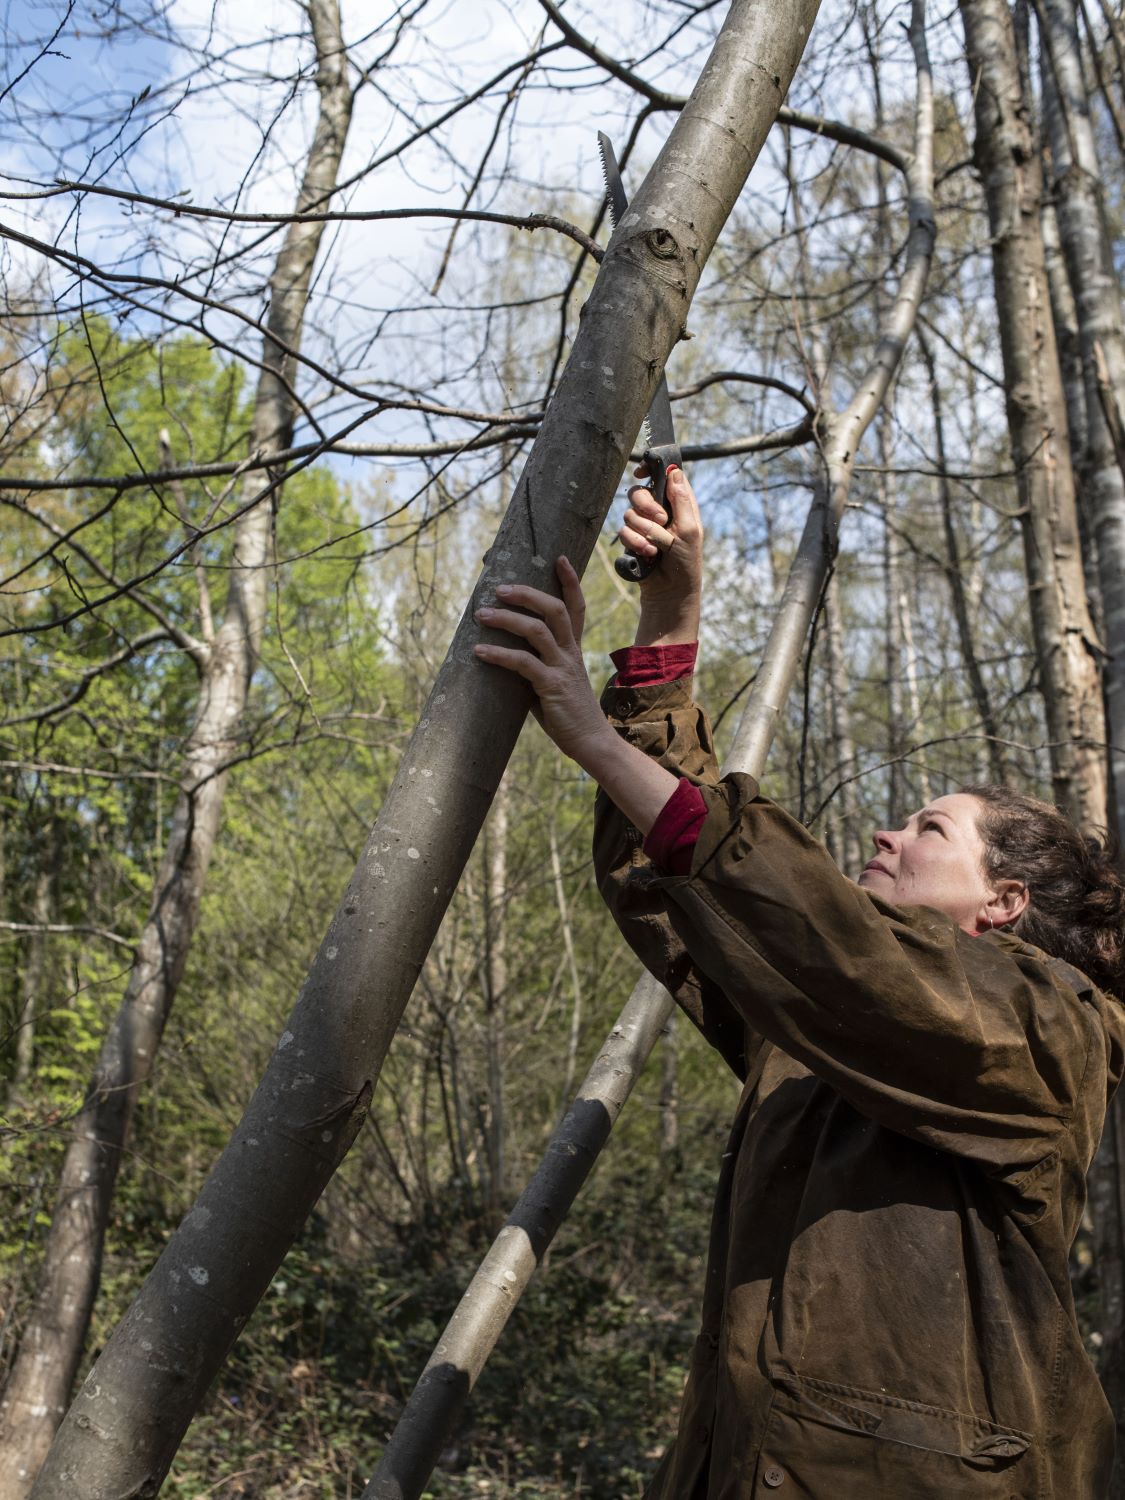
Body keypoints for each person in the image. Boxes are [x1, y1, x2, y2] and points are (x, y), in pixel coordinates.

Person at [472, 465, 1125, 1498]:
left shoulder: (1052, 1028)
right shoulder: (821, 1032)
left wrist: (593, 739)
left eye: (928, 829)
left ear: (1002, 903)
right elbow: (682, 890)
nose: (887, 830)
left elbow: (830, 940)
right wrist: (669, 614)